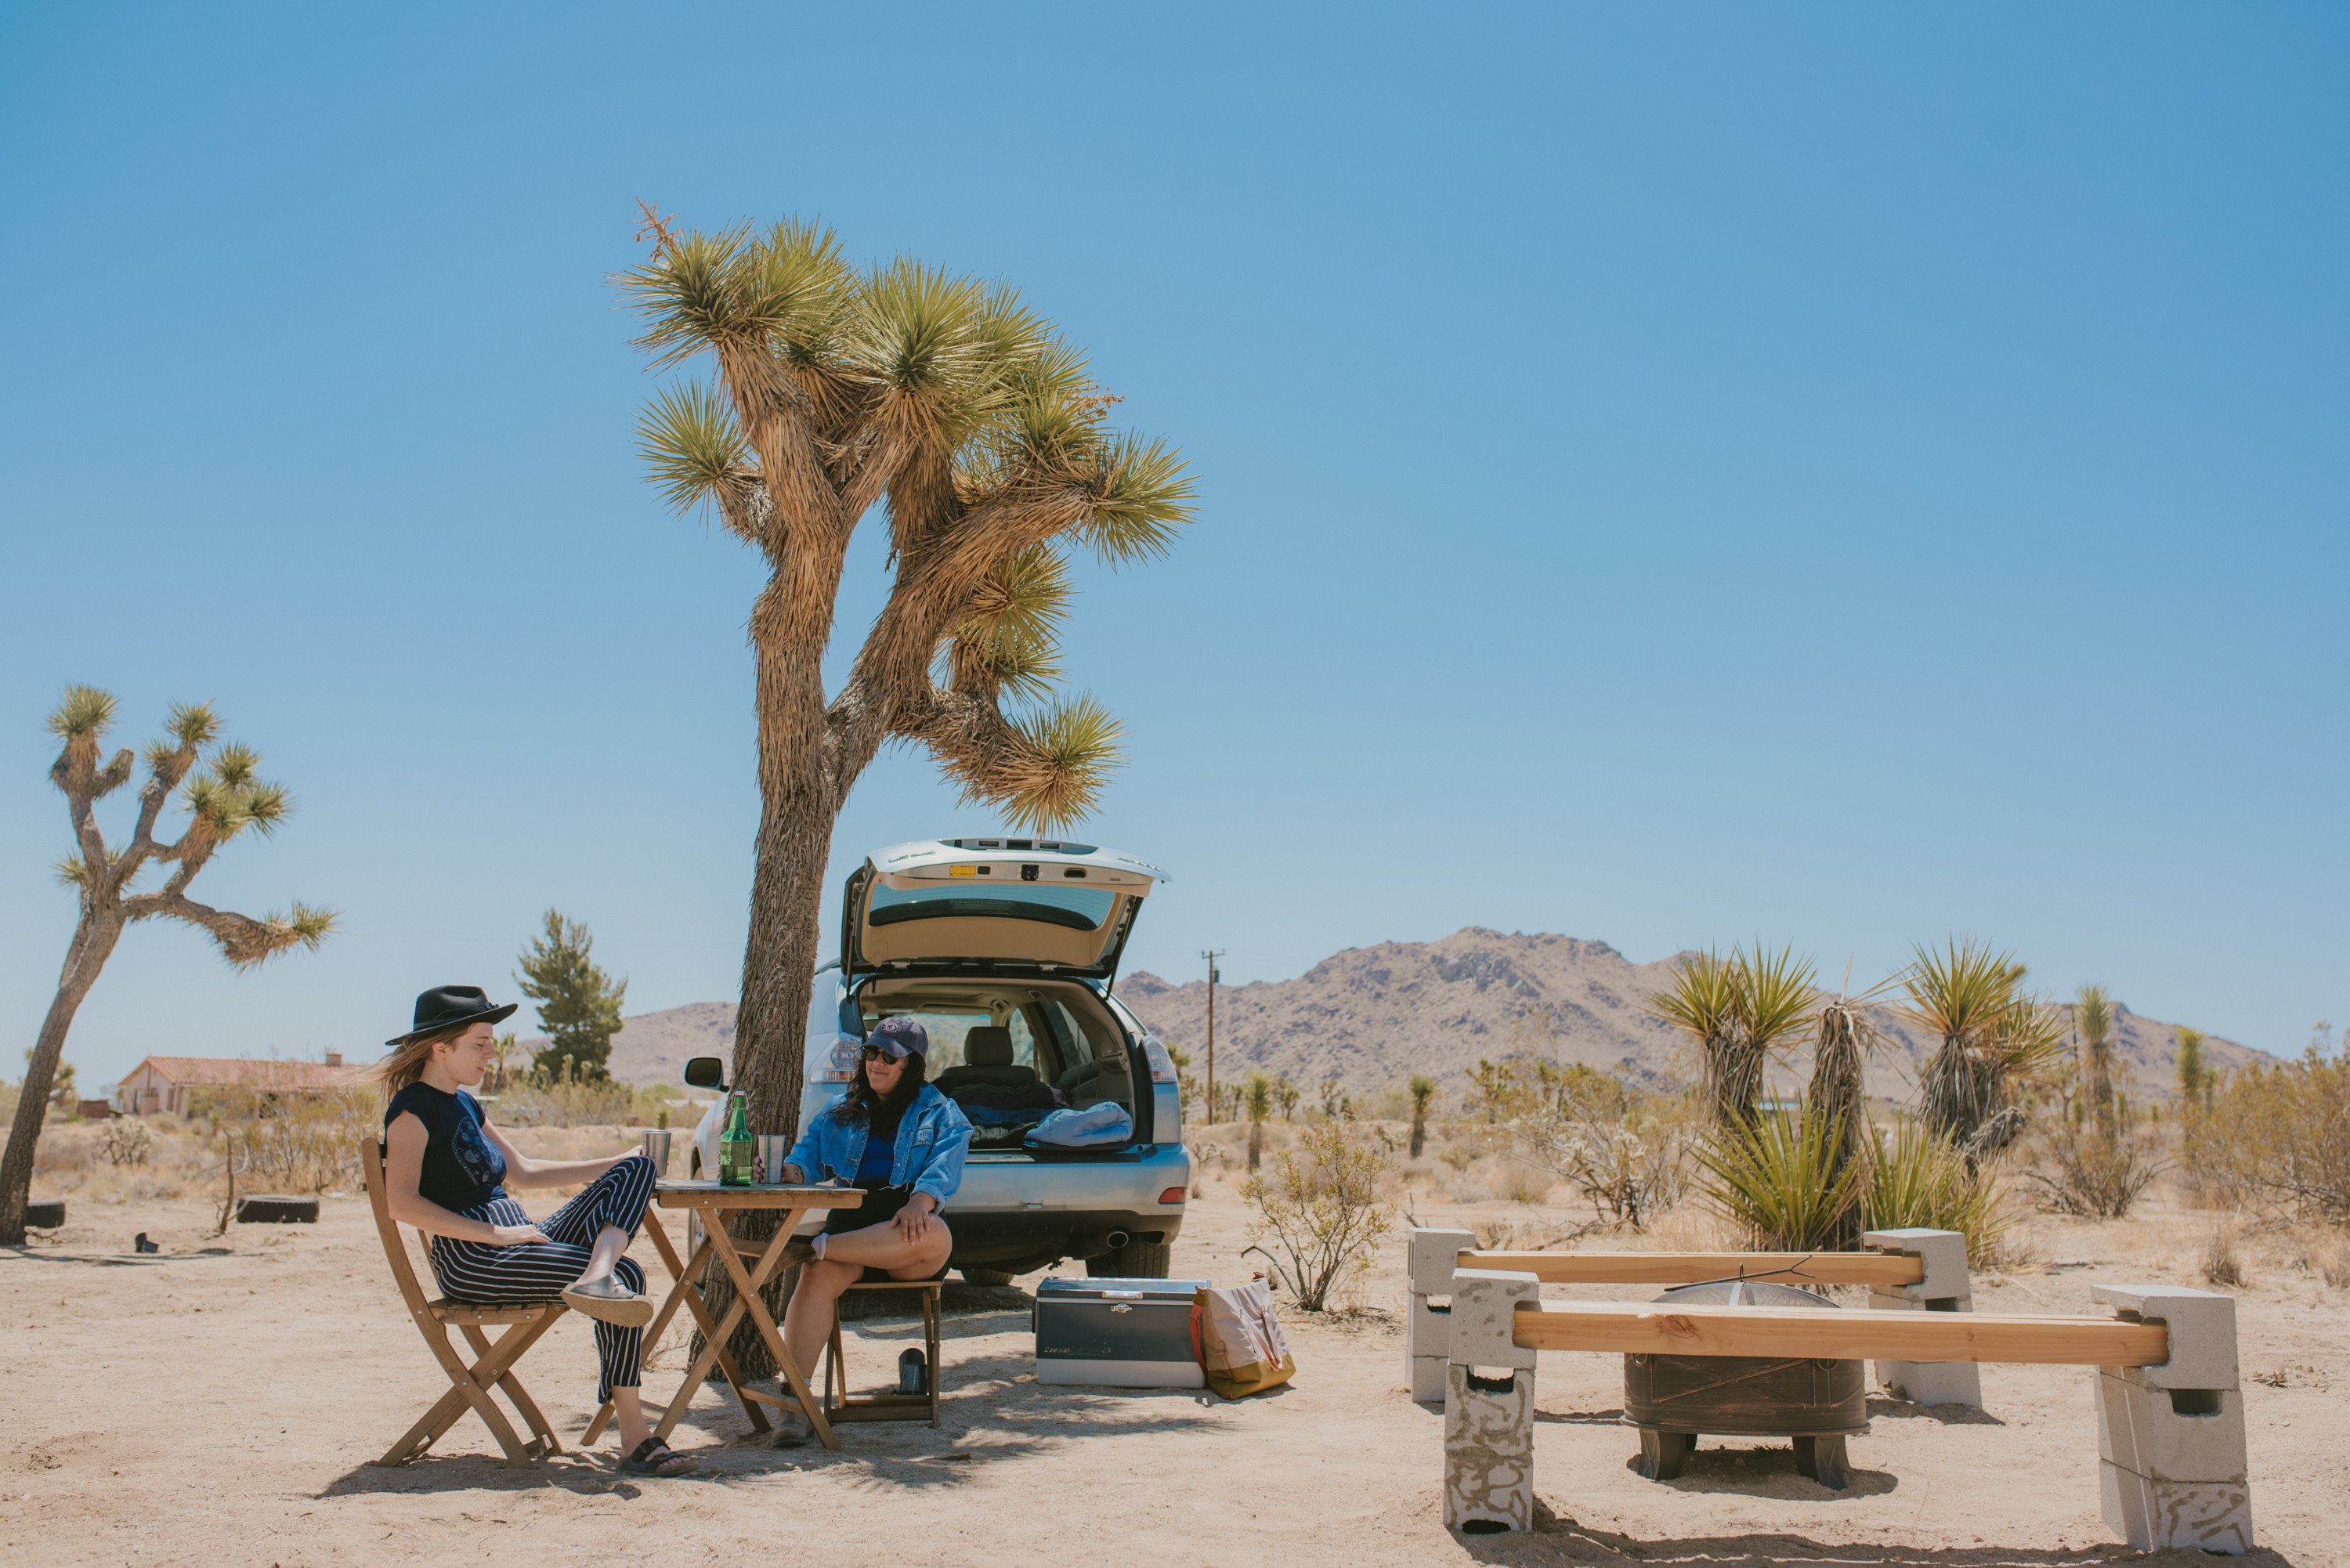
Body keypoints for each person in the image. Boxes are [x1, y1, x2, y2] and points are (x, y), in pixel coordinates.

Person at [371, 985, 695, 1478]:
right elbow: (402, 1203)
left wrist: (619, 1159)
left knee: (638, 1171)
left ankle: (597, 1274)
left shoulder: (466, 1104)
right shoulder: (413, 1110)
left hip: (522, 1235)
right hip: (477, 1258)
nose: (490, 1053)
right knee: (629, 1273)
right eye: (479, 1043)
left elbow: (523, 1172)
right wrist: (494, 1237)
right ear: (442, 1047)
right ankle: (634, 1435)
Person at [772, 1014, 973, 1446]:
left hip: (902, 1239)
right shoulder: (839, 1109)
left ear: (911, 1066)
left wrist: (921, 1202)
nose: (876, 1063)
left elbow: (943, 1170)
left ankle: (815, 1247)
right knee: (816, 1275)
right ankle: (796, 1406)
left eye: (889, 1056)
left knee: (934, 1232)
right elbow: (806, 1158)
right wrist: (790, 1171)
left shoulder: (942, 1112)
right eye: (870, 1052)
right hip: (851, 1228)